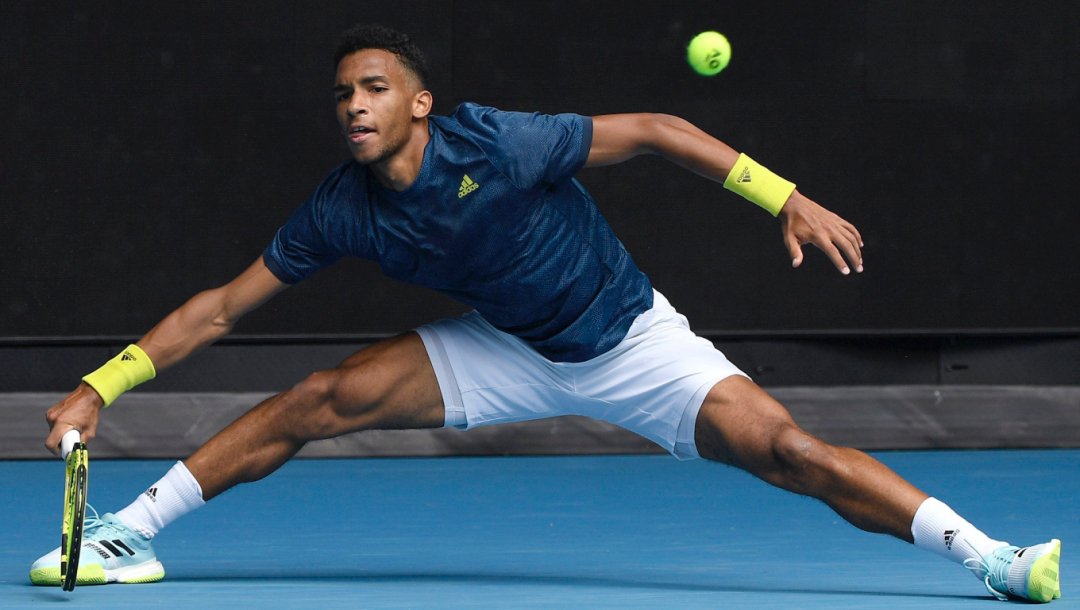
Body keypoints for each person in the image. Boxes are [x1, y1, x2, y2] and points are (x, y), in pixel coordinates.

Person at [31, 24, 1060, 602]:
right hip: (506, 346)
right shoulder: (341, 207)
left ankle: (994, 559)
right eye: (343, 91)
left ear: (419, 104)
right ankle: (130, 532)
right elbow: (219, 306)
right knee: (318, 396)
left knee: (789, 449)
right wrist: (100, 384)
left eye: (375, 87)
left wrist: (781, 194)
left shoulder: (496, 144)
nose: (353, 104)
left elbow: (657, 127)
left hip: (630, 340)